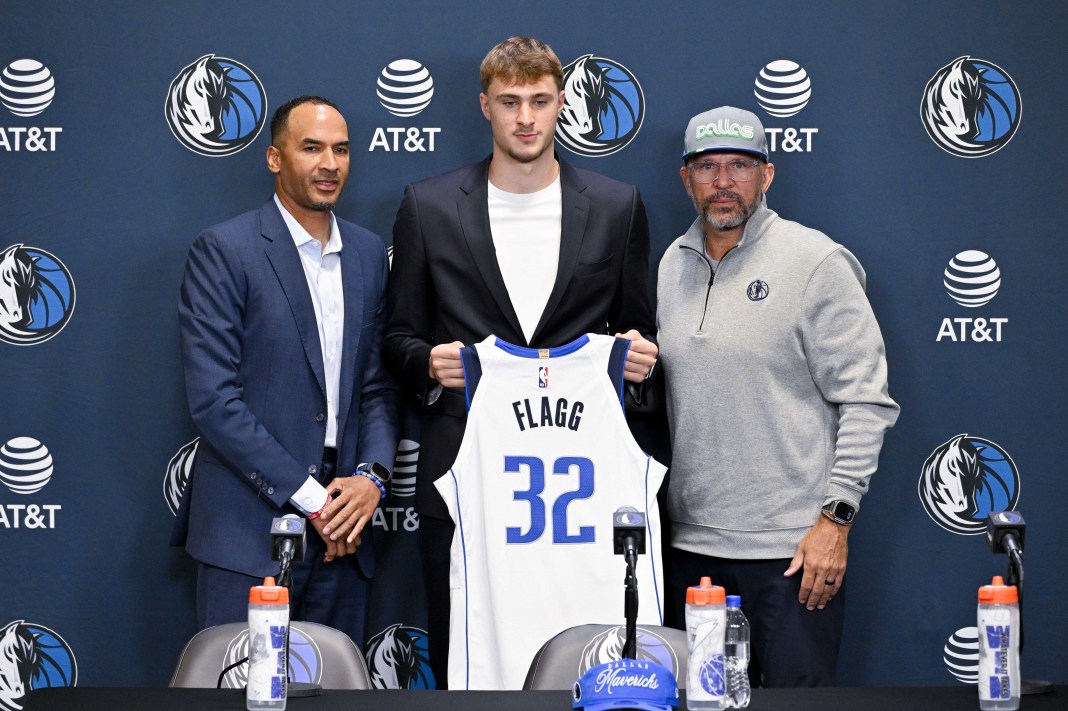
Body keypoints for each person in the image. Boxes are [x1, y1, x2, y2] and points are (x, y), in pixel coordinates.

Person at [384, 36, 658, 688]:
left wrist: (643, 361)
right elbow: (396, 336)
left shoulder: (619, 207)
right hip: (465, 474)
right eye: (510, 102)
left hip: (582, 485)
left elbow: (638, 330)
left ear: (562, 103)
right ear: (485, 106)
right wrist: (428, 363)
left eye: (539, 101)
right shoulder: (427, 204)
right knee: (467, 655)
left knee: (589, 660)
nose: (526, 118)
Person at [657, 106, 900, 686]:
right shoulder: (671, 264)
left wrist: (834, 522)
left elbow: (867, 401)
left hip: (792, 554)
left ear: (767, 175)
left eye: (739, 166)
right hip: (690, 548)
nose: (723, 181)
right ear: (685, 178)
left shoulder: (816, 261)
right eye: (707, 166)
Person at [173, 96, 399, 647]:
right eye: (312, 148)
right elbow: (214, 401)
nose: (330, 164)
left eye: (341, 150)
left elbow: (378, 389)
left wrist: (371, 481)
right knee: (236, 693)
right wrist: (314, 500)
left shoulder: (369, 255)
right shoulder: (225, 250)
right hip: (247, 538)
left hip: (344, 539)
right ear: (275, 158)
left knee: (335, 694)